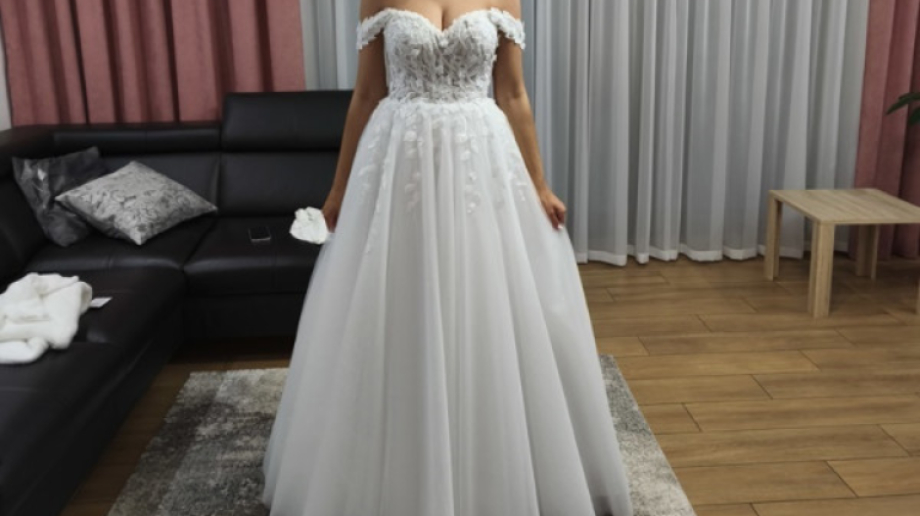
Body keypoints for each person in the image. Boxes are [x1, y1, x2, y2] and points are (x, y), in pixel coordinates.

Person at [261, 1, 633, 514]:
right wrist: (338, 190)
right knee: (399, 305)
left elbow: (512, 94)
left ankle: (492, 460)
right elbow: (367, 94)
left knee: (484, 306)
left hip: (478, 162)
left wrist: (539, 184)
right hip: (400, 163)